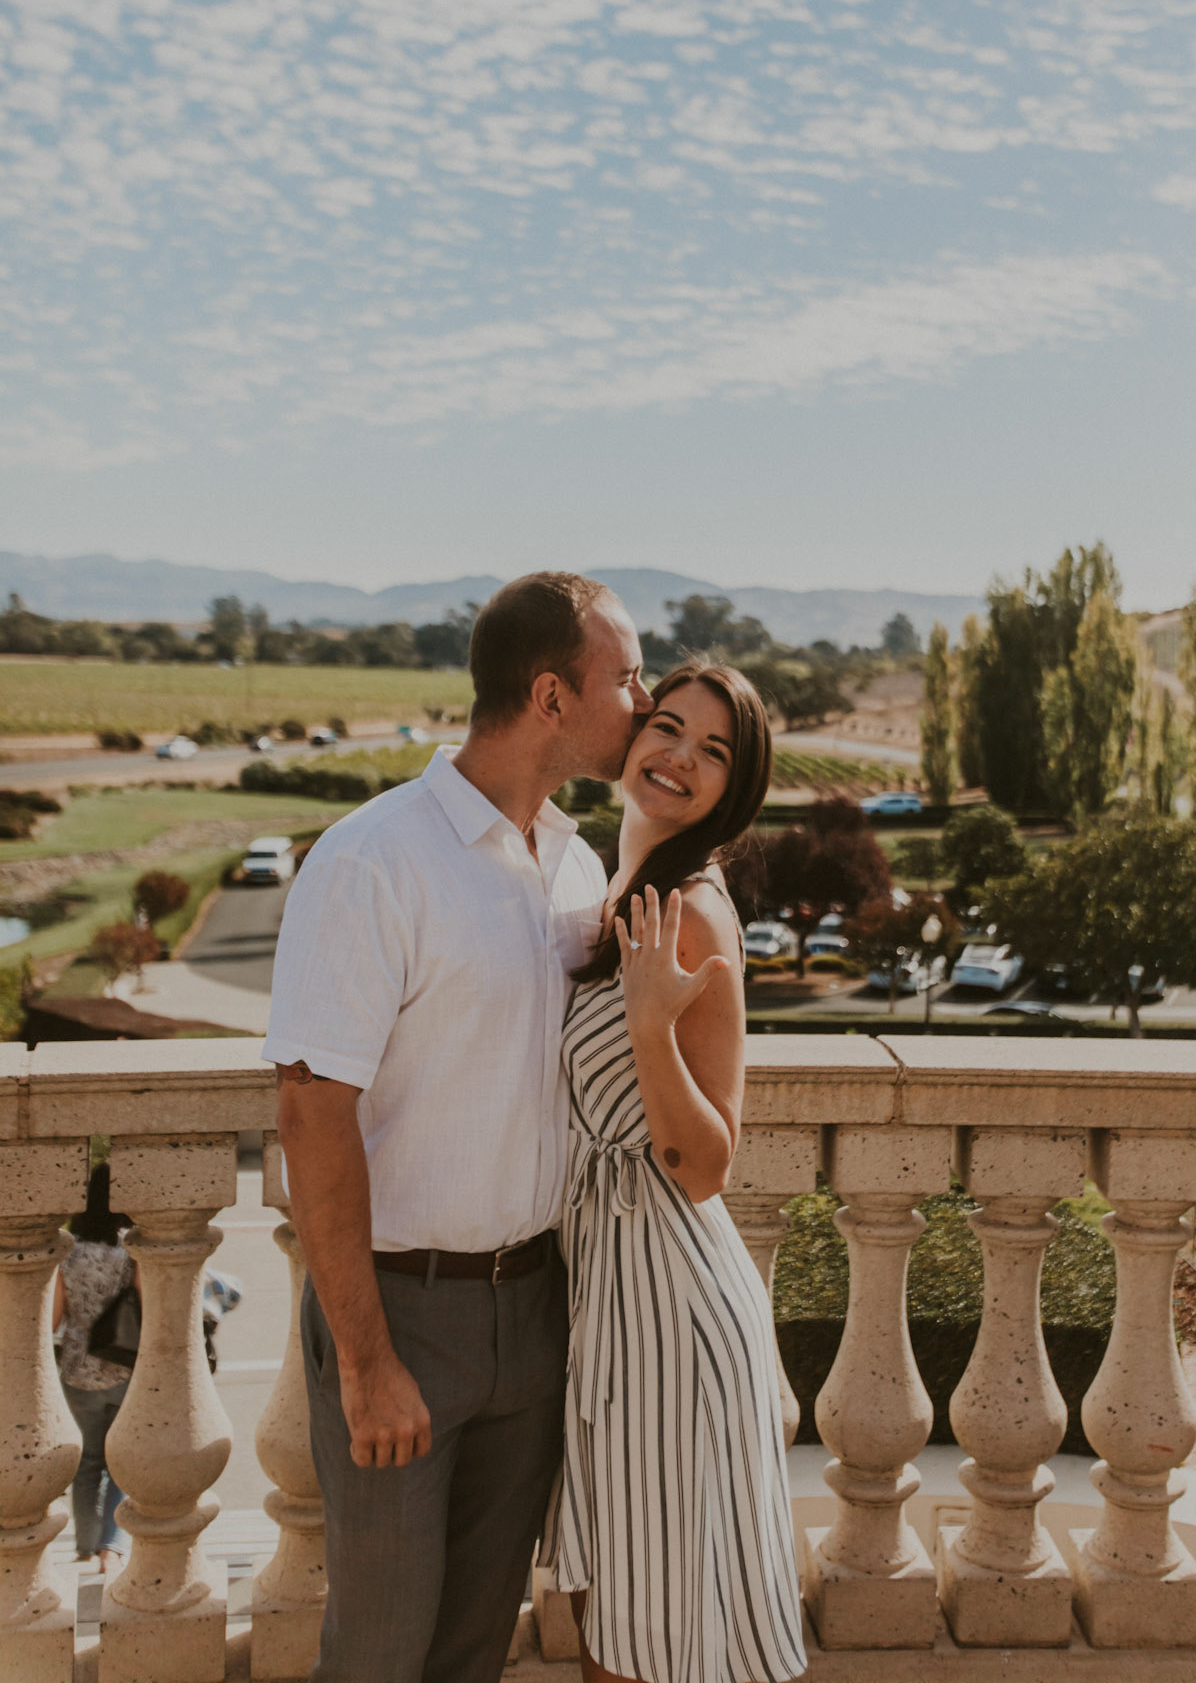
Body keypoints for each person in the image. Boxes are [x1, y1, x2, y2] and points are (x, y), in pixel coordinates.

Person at [263, 571, 654, 1683]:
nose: (643, 698)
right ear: (549, 696)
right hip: (402, 1314)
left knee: (476, 1646)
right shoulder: (372, 860)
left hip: (534, 1316)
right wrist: (369, 1356)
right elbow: (310, 1111)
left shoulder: (577, 868)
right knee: (381, 1650)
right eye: (624, 678)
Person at [543, 661, 807, 1683]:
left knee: (654, 1647)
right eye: (667, 726)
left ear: (733, 791)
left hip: (671, 1298)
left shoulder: (692, 911)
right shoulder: (624, 887)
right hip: (614, 1291)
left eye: (714, 751)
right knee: (624, 1618)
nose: (679, 757)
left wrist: (652, 1026)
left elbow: (705, 1162)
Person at [52, 1161, 135, 1577]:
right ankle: (112, 1549)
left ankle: (84, 1548)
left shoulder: (67, 1254)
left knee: (86, 1463)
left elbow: (52, 1321)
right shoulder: (130, 1253)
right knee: (121, 1460)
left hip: (77, 1371)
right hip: (123, 1367)